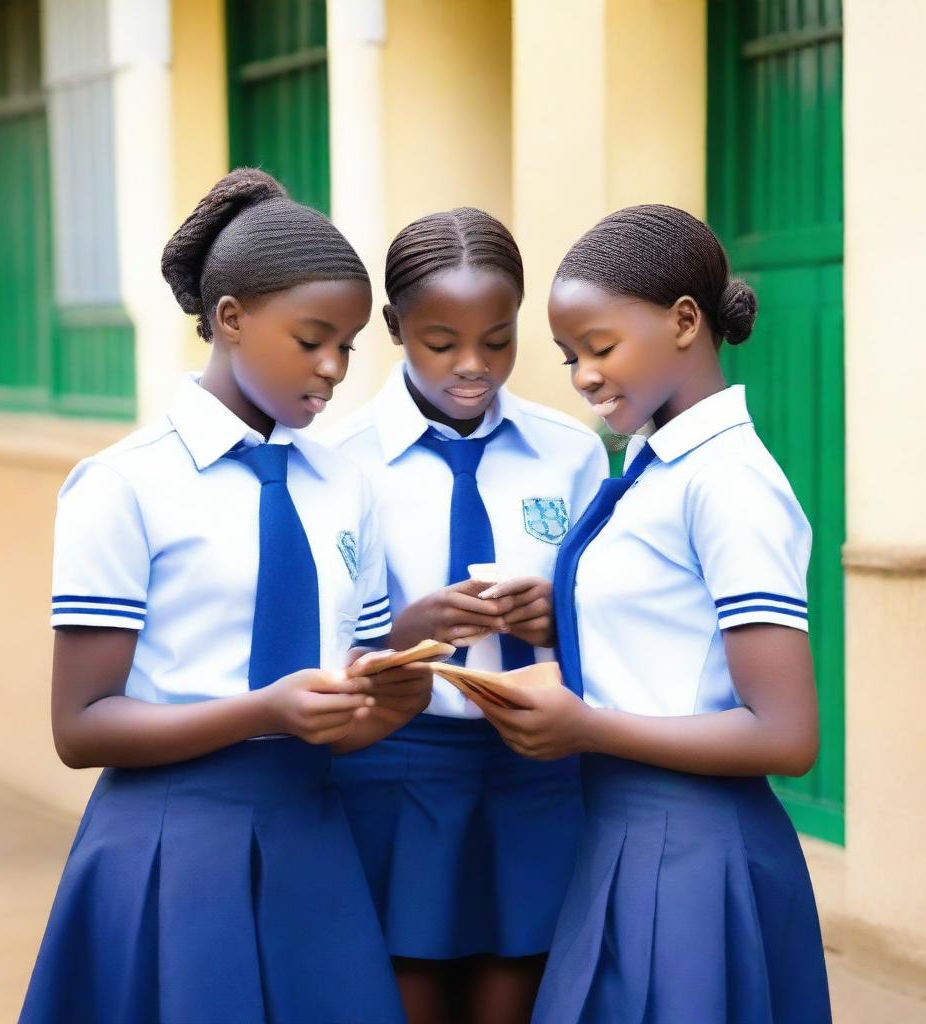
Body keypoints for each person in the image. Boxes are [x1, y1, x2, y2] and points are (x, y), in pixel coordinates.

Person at [19, 168, 430, 1024]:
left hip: (314, 843)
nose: (333, 369)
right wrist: (263, 712)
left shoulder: (347, 486)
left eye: (349, 346)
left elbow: (344, 700)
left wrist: (389, 703)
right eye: (313, 338)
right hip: (170, 848)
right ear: (231, 318)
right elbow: (81, 725)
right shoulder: (122, 486)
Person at [476, 204, 832, 1023]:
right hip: (620, 833)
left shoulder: (727, 483)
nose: (585, 377)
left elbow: (786, 735)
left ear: (684, 321)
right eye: (570, 358)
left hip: (694, 853)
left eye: (601, 348)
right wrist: (555, 617)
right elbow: (671, 636)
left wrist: (585, 726)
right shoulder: (653, 462)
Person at [329, 207, 608, 1024]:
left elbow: (607, 614)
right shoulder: (340, 462)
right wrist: (402, 633)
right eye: (440, 341)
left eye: (498, 338)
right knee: (406, 993)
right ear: (393, 328)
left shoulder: (571, 450)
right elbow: (316, 642)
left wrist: (556, 617)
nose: (473, 365)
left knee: (518, 989)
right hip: (396, 769)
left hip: (537, 770)